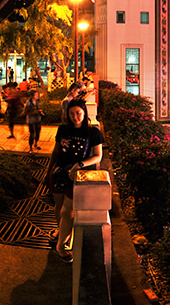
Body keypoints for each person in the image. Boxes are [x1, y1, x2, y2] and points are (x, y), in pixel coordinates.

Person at [47, 99, 104, 264]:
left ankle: (61, 245)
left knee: (68, 211)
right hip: (58, 173)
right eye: (71, 114)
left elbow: (97, 156)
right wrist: (49, 170)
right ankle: (61, 233)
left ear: (84, 113)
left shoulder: (93, 133)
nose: (75, 117)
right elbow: (56, 150)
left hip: (77, 176)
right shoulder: (63, 129)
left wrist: (79, 165)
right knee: (59, 207)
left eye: (78, 113)